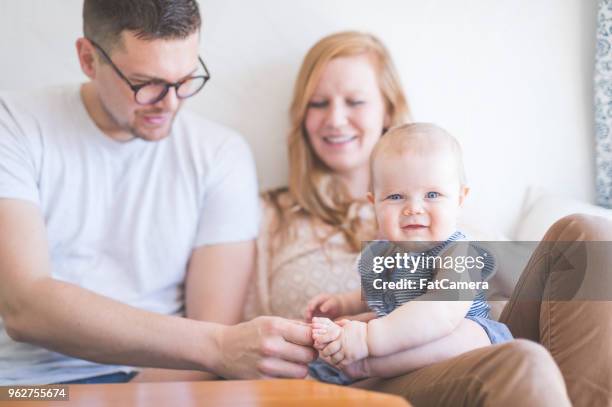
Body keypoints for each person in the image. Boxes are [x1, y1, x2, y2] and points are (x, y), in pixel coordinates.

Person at [245, 30, 612, 406]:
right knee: (521, 361)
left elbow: (504, 294)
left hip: (463, 337)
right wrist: (344, 314)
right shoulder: (268, 213)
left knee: (589, 236)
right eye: (318, 103)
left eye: (354, 101)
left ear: (387, 108)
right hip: (357, 374)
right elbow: (239, 337)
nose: (336, 119)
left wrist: (472, 253)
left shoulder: (446, 195)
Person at [0, 0, 317, 385]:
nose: (170, 103)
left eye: (185, 79)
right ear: (88, 58)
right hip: (28, 388)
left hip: (158, 381)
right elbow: (24, 307)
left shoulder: (220, 155)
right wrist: (219, 346)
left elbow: (209, 337)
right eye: (146, 83)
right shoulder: (14, 126)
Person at [308, 123, 512, 384]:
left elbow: (442, 312)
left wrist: (369, 338)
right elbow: (378, 296)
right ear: (374, 204)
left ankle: (367, 363)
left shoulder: (459, 252)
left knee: (471, 333)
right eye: (395, 197)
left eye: (432, 194)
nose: (414, 208)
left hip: (458, 348)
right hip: (401, 345)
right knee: (350, 323)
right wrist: (344, 304)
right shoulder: (382, 255)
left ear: (460, 199)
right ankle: (337, 365)